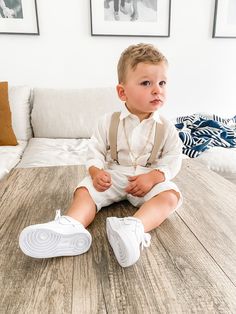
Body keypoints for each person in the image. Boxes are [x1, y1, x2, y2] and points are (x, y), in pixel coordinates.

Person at [19, 43, 183, 268]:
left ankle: (133, 228)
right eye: (146, 83)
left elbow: (174, 157)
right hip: (113, 176)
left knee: (171, 196)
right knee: (85, 189)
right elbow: (94, 150)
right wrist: (96, 172)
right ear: (122, 92)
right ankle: (70, 225)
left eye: (162, 83)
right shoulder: (108, 122)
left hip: (147, 178)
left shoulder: (166, 126)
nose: (157, 90)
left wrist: (155, 177)